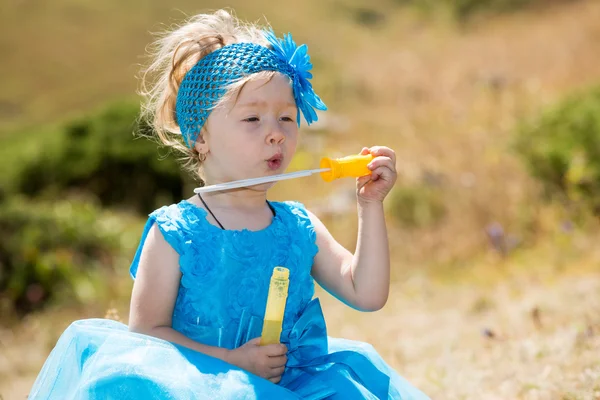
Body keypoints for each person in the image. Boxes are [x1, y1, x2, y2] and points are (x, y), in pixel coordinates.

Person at [29, 9, 430, 400]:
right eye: (253, 119)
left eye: (287, 118)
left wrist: (369, 205)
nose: (275, 134)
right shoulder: (176, 232)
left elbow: (367, 293)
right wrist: (232, 361)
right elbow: (148, 334)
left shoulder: (298, 226)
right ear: (200, 136)